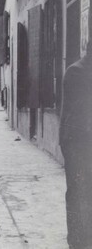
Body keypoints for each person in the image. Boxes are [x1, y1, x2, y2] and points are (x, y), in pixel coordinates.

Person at [60, 42, 92, 249]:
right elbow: (81, 116)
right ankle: (76, 242)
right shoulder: (77, 73)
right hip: (77, 145)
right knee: (78, 193)